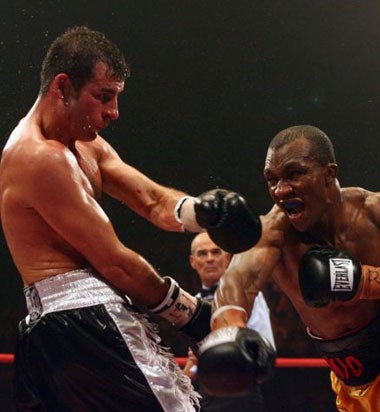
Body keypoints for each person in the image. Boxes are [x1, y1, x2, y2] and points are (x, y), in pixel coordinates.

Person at [0, 26, 262, 412]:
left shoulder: (85, 143)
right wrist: (195, 317)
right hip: (86, 320)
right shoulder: (40, 156)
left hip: (55, 332)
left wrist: (203, 211)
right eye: (103, 97)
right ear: (62, 87)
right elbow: (116, 263)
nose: (113, 112)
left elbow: (153, 200)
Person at [197, 125, 380, 412]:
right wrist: (229, 332)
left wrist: (364, 281)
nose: (280, 190)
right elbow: (237, 283)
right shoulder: (275, 232)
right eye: (272, 179)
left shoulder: (373, 211)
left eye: (295, 174)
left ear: (329, 174)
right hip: (353, 385)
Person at [183, 232, 275, 411]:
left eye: (216, 252)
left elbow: (265, 348)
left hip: (242, 390)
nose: (210, 259)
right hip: (205, 393)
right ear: (193, 261)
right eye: (202, 253)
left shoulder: (248, 298)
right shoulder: (190, 302)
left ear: (227, 259)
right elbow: (194, 360)